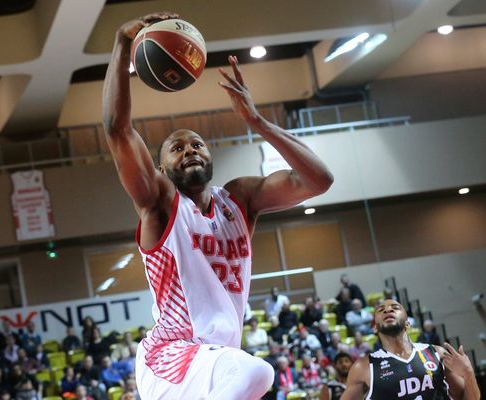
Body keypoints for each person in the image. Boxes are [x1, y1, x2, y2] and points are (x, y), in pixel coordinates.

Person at [102, 10, 333, 400]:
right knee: (258, 373)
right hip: (170, 358)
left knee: (253, 374)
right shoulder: (161, 205)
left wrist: (257, 121)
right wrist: (123, 42)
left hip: (215, 362)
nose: (189, 149)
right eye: (177, 148)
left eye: (196, 144)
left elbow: (318, 180)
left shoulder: (240, 200)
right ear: (161, 169)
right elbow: (117, 129)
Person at [341, 299, 480, 399]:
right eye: (381, 310)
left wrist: (468, 372)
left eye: (395, 307)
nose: (388, 309)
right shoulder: (363, 367)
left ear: (408, 323)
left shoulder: (436, 353)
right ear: (375, 328)